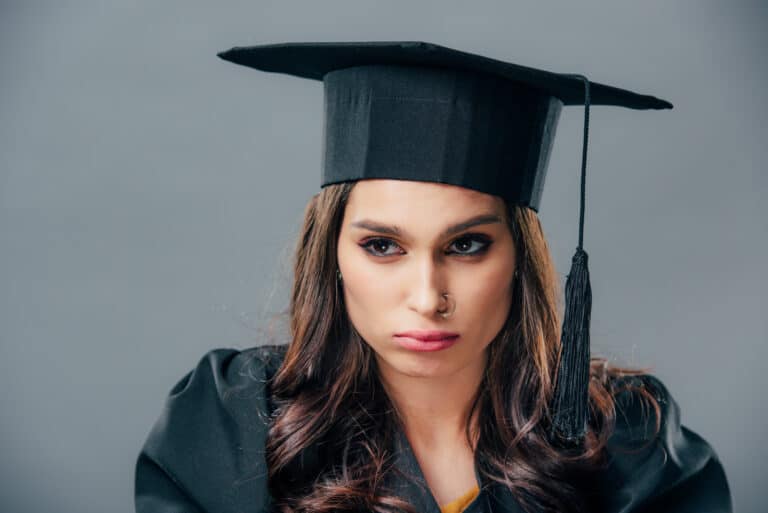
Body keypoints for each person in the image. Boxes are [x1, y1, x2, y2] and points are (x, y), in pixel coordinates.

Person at [134, 41, 732, 513]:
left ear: (519, 258)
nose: (427, 298)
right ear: (332, 255)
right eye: (382, 245)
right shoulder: (236, 421)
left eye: (467, 245)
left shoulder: (628, 440)